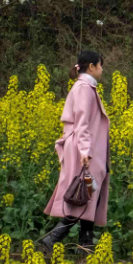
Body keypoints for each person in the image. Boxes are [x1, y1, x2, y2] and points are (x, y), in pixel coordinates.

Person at [39, 50, 111, 253]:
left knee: (88, 192)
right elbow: (82, 122)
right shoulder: (84, 89)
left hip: (85, 147)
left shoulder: (86, 87)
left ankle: (85, 243)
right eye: (100, 65)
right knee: (82, 192)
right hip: (83, 149)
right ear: (91, 67)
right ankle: (52, 239)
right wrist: (85, 151)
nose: (102, 69)